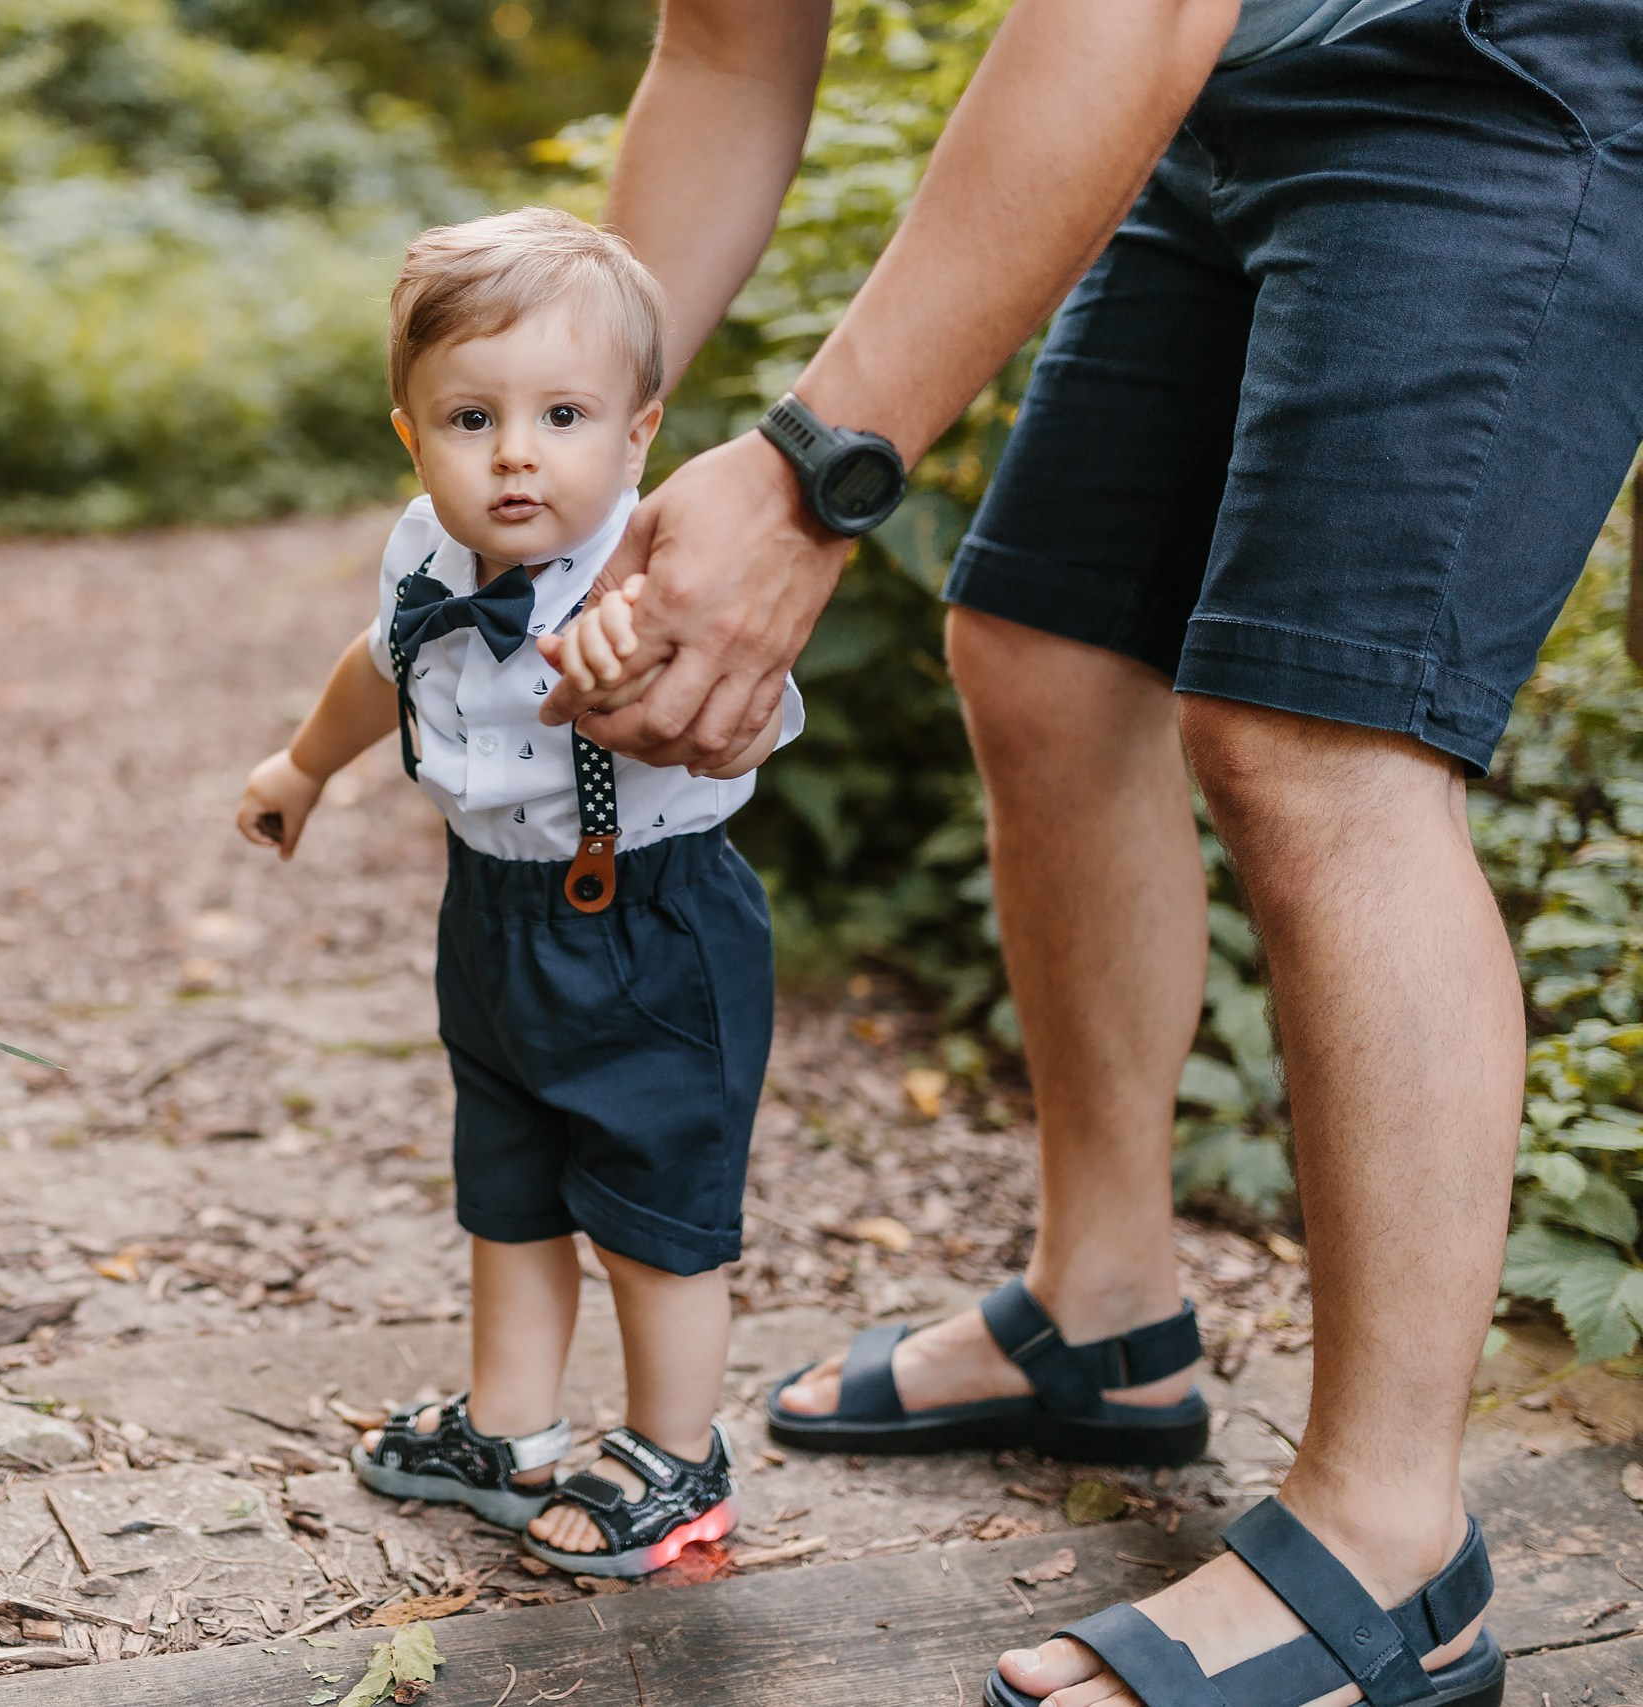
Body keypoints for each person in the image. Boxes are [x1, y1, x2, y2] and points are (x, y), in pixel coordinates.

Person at [541, 0, 1643, 1702]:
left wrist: (809, 478)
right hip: (1242, 83)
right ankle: (1105, 1311)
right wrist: (567, 456)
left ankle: (1394, 1544)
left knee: (1318, 742)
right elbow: (728, 60)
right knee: (1047, 653)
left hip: (1509, 65)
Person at [235, 207, 802, 1577]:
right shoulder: (423, 556)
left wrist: (647, 678)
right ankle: (510, 1429)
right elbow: (381, 664)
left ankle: (676, 1455)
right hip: (490, 916)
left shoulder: (659, 578)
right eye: (471, 419)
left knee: (655, 1207)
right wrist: (304, 767)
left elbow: (756, 718)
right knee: (510, 1180)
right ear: (410, 437)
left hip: (647, 920)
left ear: (639, 433)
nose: (516, 454)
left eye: (562, 415)